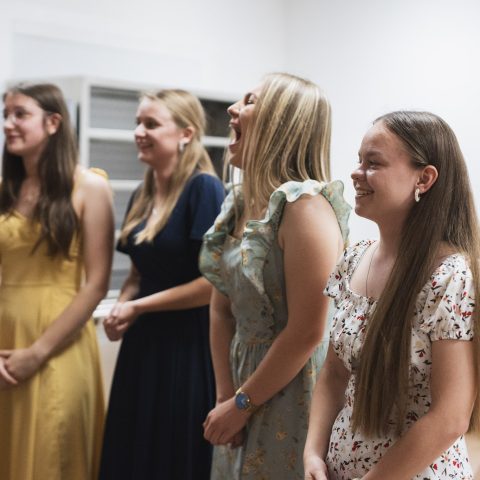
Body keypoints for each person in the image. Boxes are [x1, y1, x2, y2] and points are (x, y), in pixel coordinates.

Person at [303, 111, 480, 480]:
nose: (356, 173)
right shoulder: (354, 258)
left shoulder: (449, 276)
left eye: (373, 163)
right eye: (359, 160)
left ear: (424, 178)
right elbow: (334, 374)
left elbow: (450, 417)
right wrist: (313, 454)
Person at [199, 72, 351, 479]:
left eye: (249, 101)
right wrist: (226, 396)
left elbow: (307, 331)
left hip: (292, 389)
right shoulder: (238, 203)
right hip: (241, 386)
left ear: (283, 122)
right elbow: (221, 310)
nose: (232, 109)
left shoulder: (305, 209)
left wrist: (242, 404)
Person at [100, 88, 225, 480]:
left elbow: (211, 285)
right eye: (138, 122)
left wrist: (137, 307)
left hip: (186, 344)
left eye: (151, 124)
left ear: (186, 133)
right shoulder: (143, 192)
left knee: (171, 453)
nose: (139, 132)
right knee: (134, 450)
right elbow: (137, 275)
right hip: (143, 343)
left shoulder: (204, 189)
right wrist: (122, 309)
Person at [0, 83, 114, 480]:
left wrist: (37, 352)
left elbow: (97, 284)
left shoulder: (90, 187)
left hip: (57, 340)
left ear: (53, 123)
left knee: (52, 454)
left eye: (20, 114)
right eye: (5, 115)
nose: (8, 124)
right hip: (5, 337)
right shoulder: (5, 190)